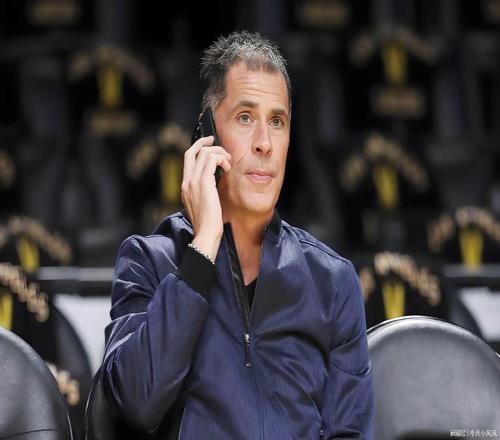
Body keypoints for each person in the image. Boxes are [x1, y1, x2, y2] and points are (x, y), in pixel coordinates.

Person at [100, 31, 374, 439]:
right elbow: (136, 404)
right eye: (245, 117)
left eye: (277, 122)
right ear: (206, 135)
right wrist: (203, 247)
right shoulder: (149, 261)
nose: (264, 143)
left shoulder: (333, 282)